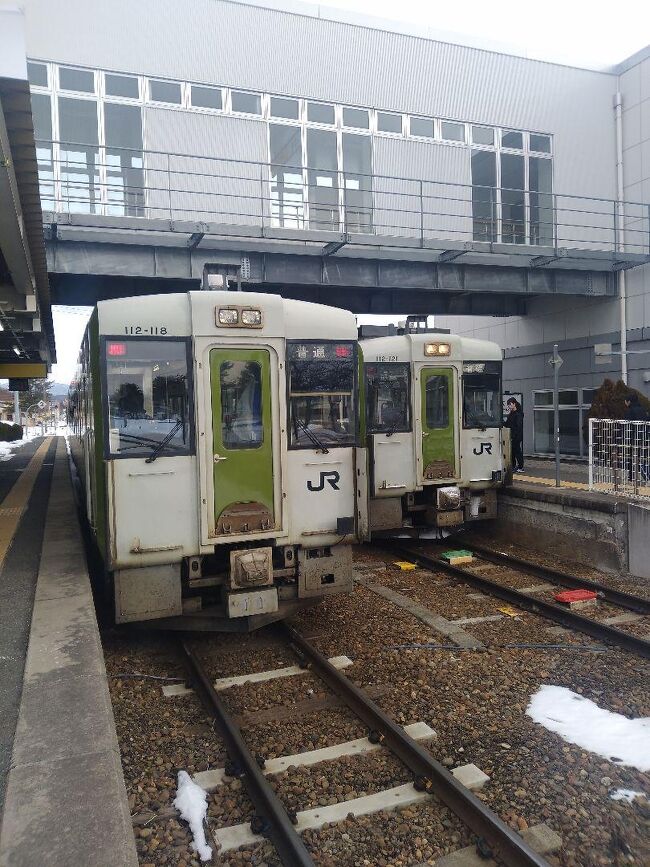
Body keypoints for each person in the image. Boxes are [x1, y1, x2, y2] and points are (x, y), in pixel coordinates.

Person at [504, 397, 524, 473]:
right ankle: (513, 466)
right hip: (512, 435)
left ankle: (521, 467)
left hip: (516, 436)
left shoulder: (518, 414)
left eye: (510, 404)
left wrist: (514, 436)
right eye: (508, 405)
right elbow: (507, 424)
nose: (509, 406)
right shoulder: (511, 413)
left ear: (514, 404)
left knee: (517, 451)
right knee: (512, 451)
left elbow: (518, 427)